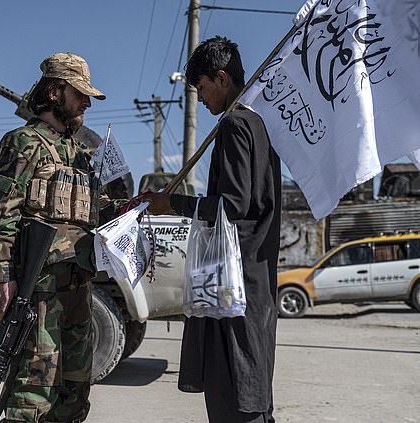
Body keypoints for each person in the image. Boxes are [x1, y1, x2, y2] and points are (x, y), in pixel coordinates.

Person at [141, 36, 281, 423]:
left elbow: (234, 207)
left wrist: (174, 204)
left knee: (236, 399)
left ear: (221, 78)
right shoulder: (257, 122)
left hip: (235, 292)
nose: (200, 98)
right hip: (255, 285)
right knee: (251, 395)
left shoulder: (236, 124)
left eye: (201, 87)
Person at [0, 52, 122, 423]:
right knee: (33, 390)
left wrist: (130, 211)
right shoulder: (22, 143)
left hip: (77, 285)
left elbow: (99, 207)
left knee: (76, 387)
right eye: (80, 94)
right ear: (56, 92)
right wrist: (3, 278)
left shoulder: (79, 152)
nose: (87, 103)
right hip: (39, 290)